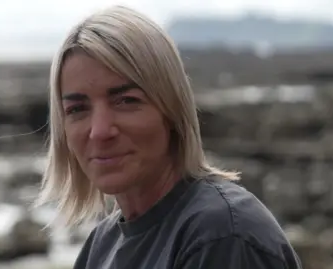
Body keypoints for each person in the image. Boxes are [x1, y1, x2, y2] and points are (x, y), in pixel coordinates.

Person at [35, 5, 303, 269]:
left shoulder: (222, 236)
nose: (100, 131)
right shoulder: (101, 245)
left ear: (172, 109)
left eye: (126, 100)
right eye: (77, 109)